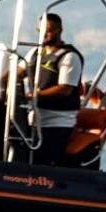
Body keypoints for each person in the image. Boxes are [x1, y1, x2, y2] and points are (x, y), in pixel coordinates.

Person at [22, 12, 84, 166]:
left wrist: (33, 96)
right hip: (33, 120)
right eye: (40, 31)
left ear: (59, 30)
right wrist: (1, 83)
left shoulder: (69, 57)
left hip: (58, 123)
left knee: (43, 160)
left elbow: (65, 89)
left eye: (47, 31)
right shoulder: (34, 53)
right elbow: (17, 72)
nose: (43, 35)